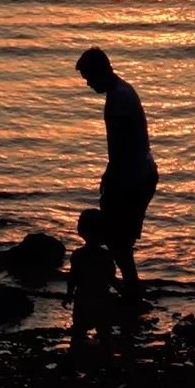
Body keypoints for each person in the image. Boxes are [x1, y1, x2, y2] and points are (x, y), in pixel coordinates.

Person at [75, 47, 157, 305]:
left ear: (100, 71)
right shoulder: (121, 92)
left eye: (89, 77)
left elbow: (121, 148)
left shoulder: (119, 100)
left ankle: (131, 290)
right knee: (120, 238)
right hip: (139, 173)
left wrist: (110, 181)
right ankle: (130, 288)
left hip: (132, 178)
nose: (88, 84)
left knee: (118, 239)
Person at [63, 208, 118, 349]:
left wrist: (69, 294)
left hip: (83, 298)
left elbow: (73, 277)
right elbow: (111, 278)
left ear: (81, 231)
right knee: (105, 333)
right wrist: (123, 291)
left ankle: (75, 358)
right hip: (101, 298)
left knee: (79, 332)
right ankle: (107, 359)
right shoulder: (106, 256)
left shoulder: (78, 254)